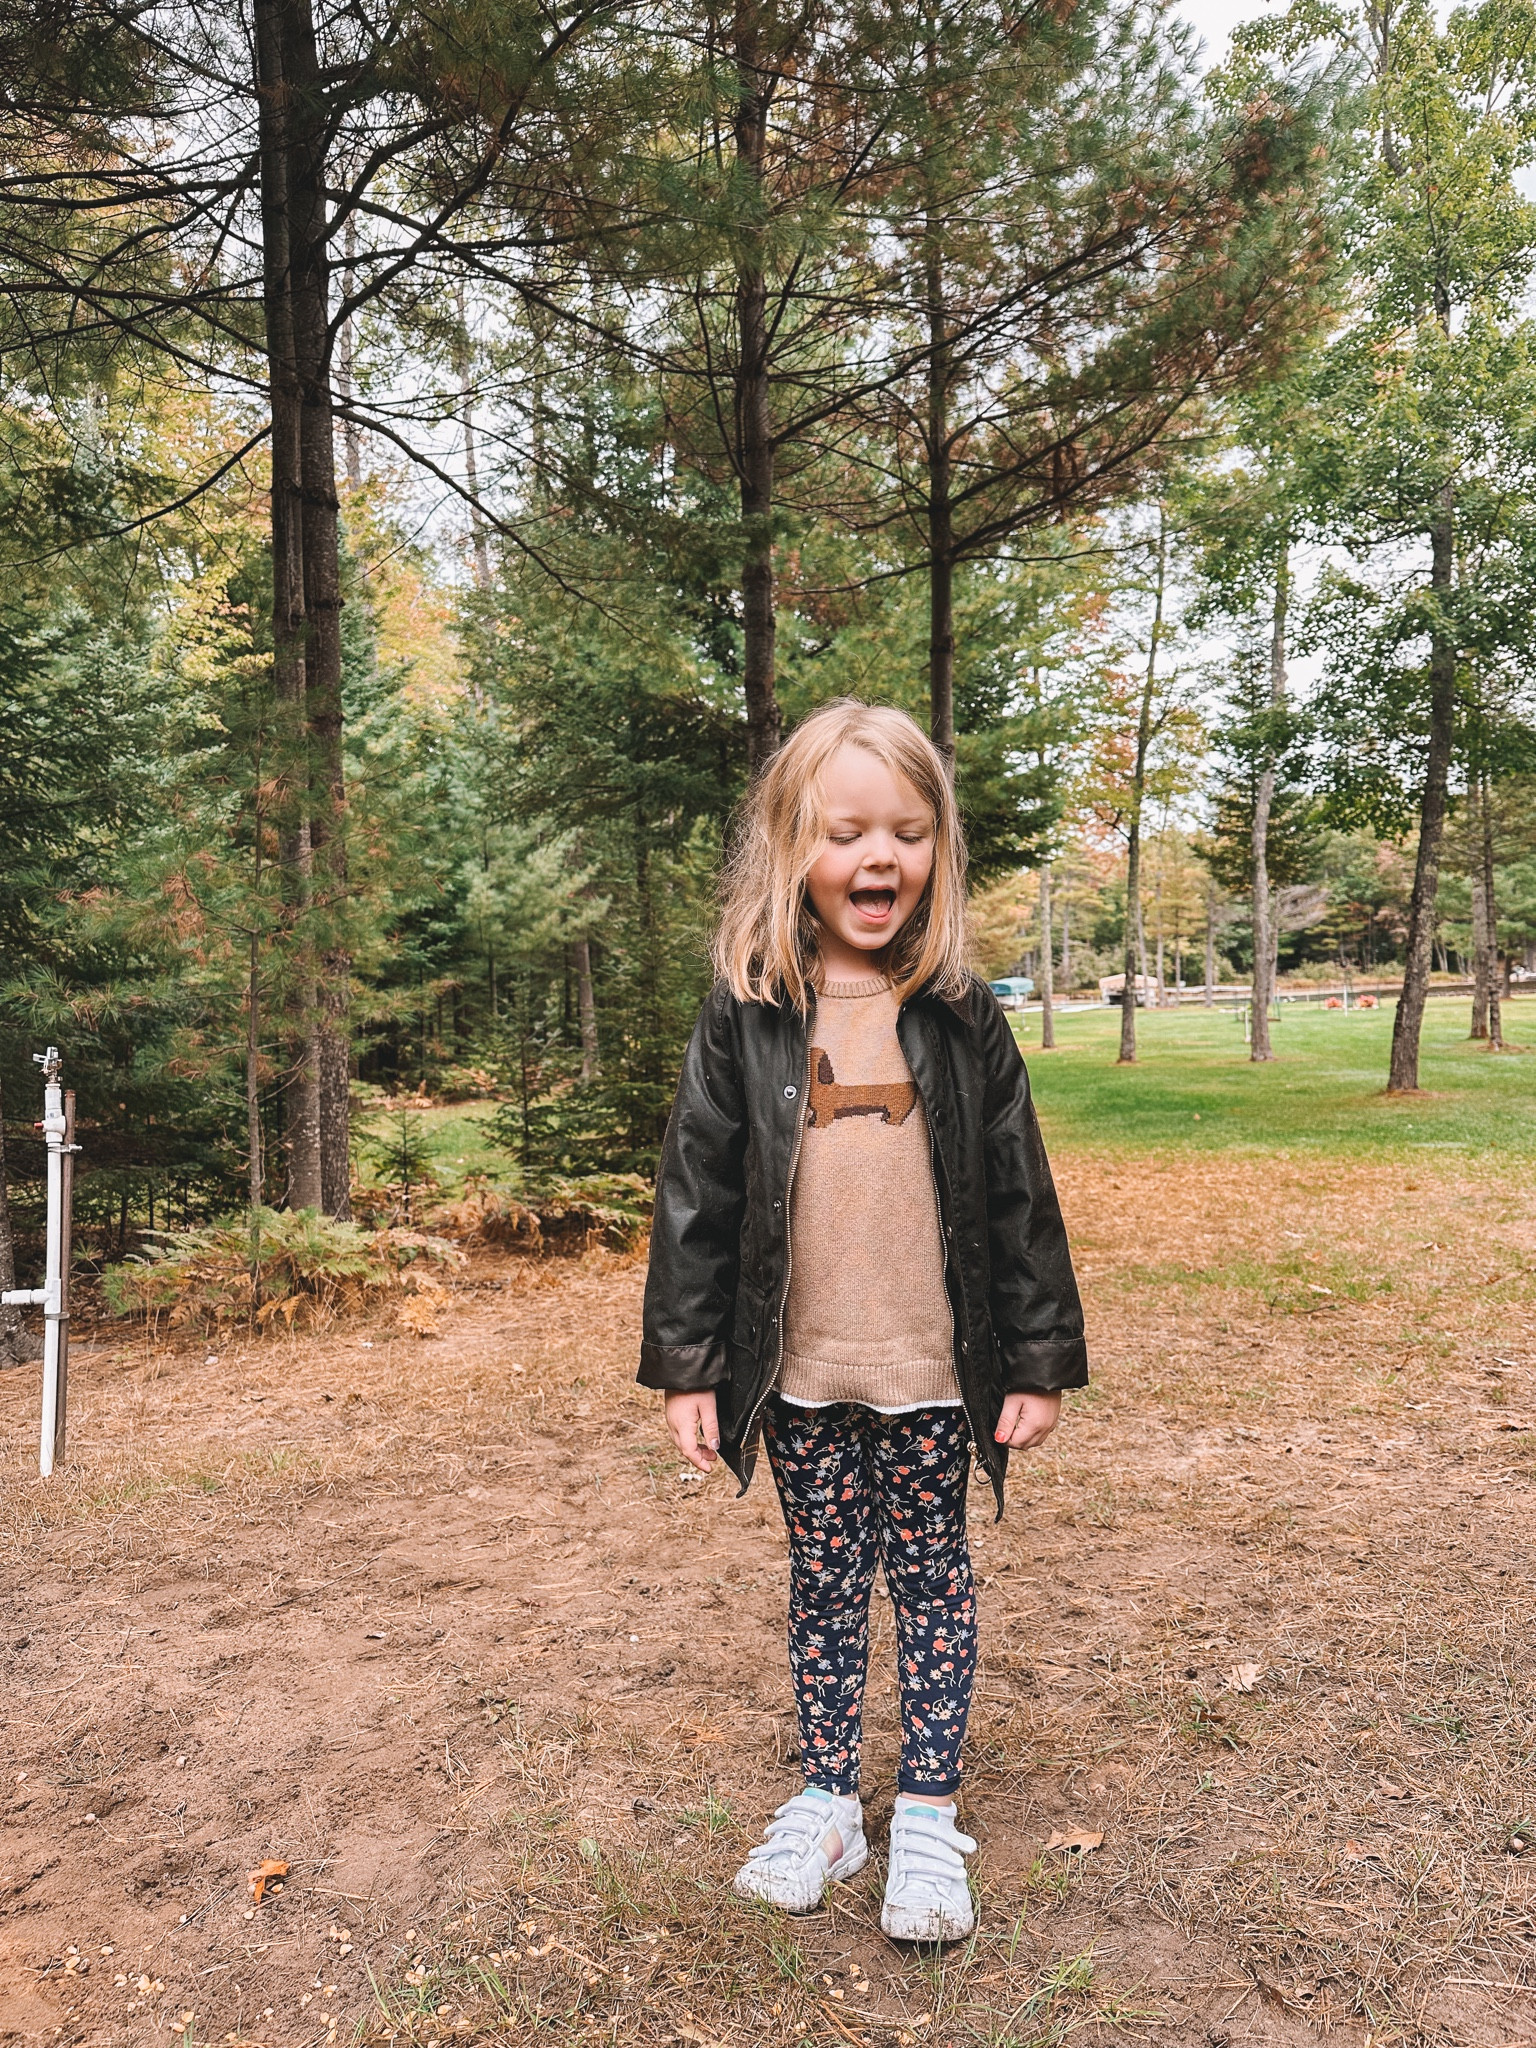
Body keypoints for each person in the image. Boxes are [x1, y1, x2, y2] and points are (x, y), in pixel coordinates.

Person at [638, 700, 1087, 1942]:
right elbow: (697, 1194)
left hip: (938, 1371)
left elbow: (1019, 1192)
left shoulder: (960, 1013)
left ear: (937, 847)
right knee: (827, 1580)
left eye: (905, 830)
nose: (876, 857)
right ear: (795, 847)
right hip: (801, 1372)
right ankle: (832, 1796)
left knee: (933, 1578)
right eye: (845, 832)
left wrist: (1040, 1356)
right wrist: (690, 1363)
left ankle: (929, 1811)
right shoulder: (748, 1011)